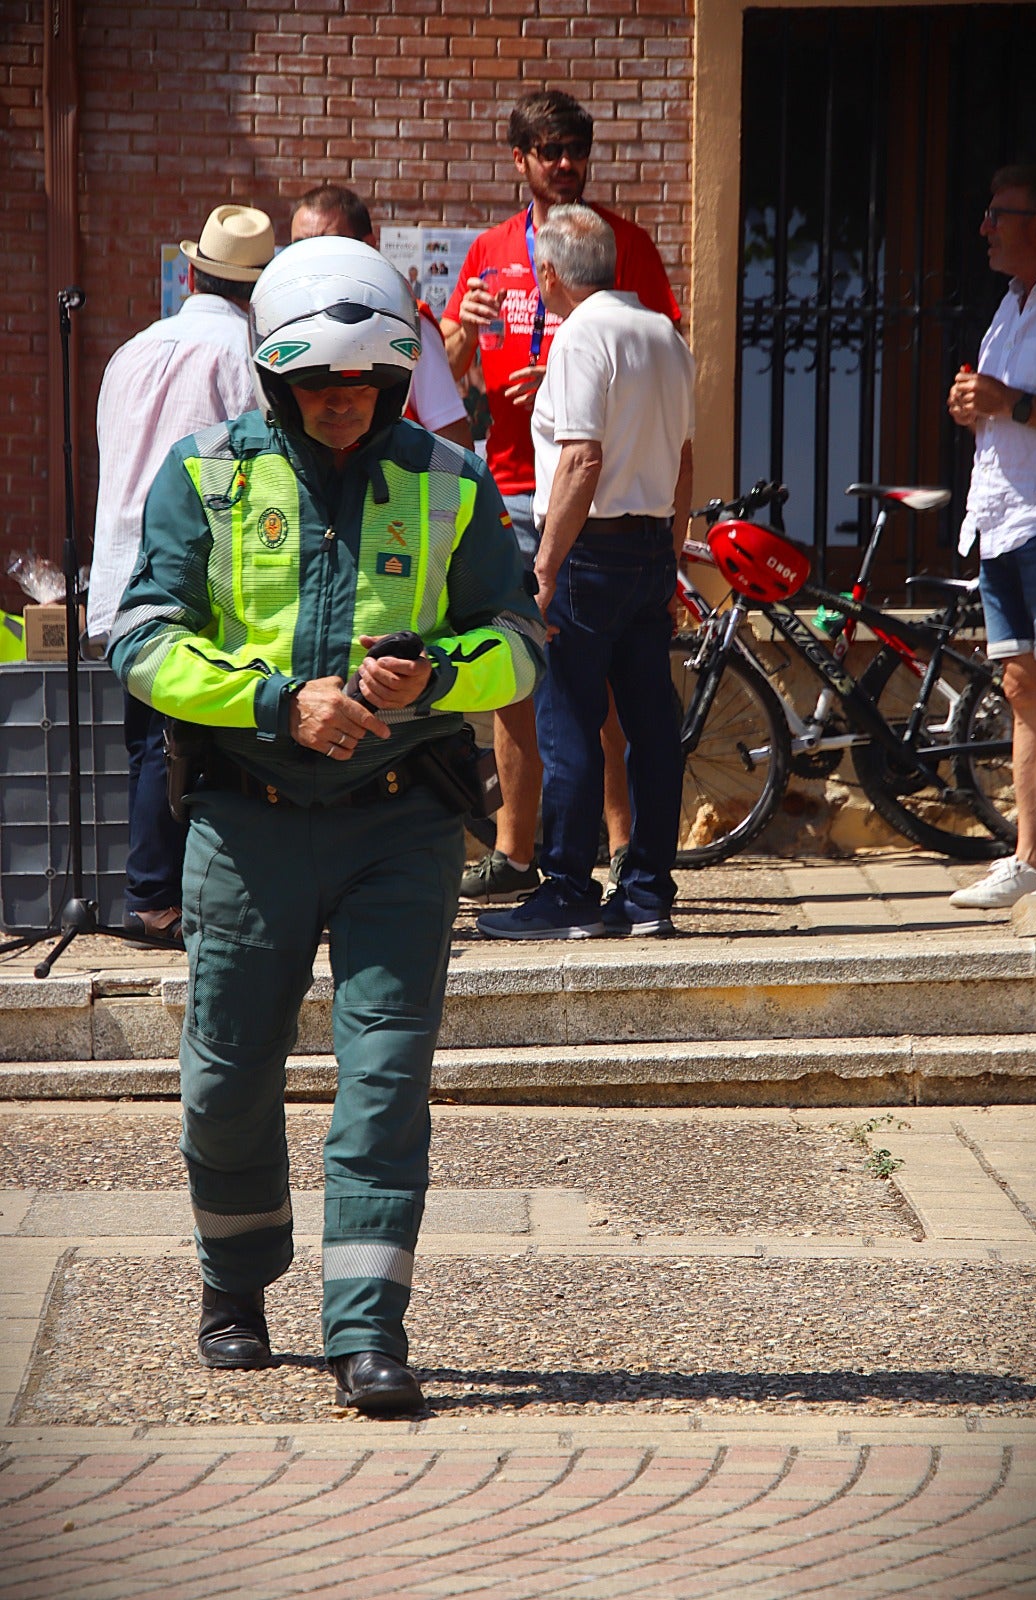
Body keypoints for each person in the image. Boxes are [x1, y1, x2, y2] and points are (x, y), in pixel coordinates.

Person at [107, 238, 544, 1414]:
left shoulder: (452, 481)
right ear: (275, 383)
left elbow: (518, 636)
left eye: (362, 387)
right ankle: (236, 1281)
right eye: (317, 388)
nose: (341, 407)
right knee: (226, 1078)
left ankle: (366, 1330)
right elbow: (140, 637)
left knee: (386, 1076)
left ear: (398, 382)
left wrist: (436, 675)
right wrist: (271, 701)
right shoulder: (204, 476)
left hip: (399, 826)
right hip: (246, 823)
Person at [440, 90, 681, 906]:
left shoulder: (620, 245)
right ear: (520, 161)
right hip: (509, 481)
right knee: (520, 675)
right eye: (550, 151)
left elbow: (655, 355)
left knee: (592, 689)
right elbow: (446, 379)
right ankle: (517, 850)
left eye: (577, 149)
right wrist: (463, 333)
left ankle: (608, 853)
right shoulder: (488, 250)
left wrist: (575, 378)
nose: (567, 164)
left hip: (586, 494)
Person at [477, 207, 694, 941]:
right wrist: (675, 551)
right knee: (649, 727)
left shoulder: (579, 336)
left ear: (549, 275)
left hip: (587, 553)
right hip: (650, 548)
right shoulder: (665, 334)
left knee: (566, 719)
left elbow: (579, 461)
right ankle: (646, 895)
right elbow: (685, 458)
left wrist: (542, 571)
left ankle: (568, 890)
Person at [87, 203, 276, 946]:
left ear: (191, 272)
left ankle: (158, 893)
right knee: (190, 743)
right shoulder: (245, 356)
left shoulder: (131, 350)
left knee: (151, 738)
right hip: (194, 568)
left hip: (118, 567)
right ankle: (157, 898)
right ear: (257, 290)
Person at [947, 164, 1036, 910]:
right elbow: (1005, 409)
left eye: (999, 214)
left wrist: (1010, 403)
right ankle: (1030, 857)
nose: (985, 227)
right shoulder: (1009, 307)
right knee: (1023, 688)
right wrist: (976, 405)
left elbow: (1034, 410)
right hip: (1000, 519)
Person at [290, 184, 472, 450]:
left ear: (368, 246)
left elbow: (455, 445)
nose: (312, 258)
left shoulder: (407, 323)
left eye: (328, 244)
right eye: (299, 247)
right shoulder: (282, 324)